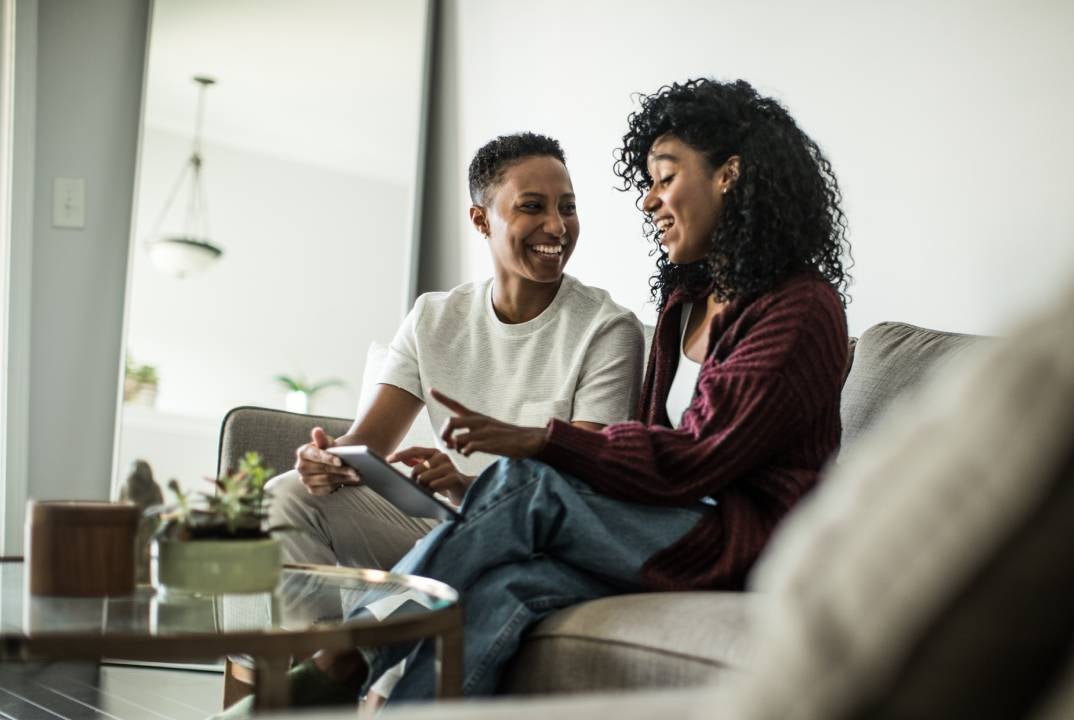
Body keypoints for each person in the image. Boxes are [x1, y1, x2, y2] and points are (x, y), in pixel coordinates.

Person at [214, 78, 850, 716]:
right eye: (649, 183)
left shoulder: (799, 310)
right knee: (505, 587)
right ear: (482, 219)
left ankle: (342, 658)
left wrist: (536, 440)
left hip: (740, 544)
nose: (650, 199)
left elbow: (694, 458)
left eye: (664, 177)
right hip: (655, 527)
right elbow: (644, 461)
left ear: (729, 176)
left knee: (529, 482)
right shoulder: (686, 300)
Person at [267, 132, 644, 572]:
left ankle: (351, 640)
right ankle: (319, 640)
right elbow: (366, 444)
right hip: (441, 523)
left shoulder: (609, 328)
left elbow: (581, 488)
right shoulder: (433, 317)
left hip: (532, 537)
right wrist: (327, 460)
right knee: (287, 494)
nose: (558, 226)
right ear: (481, 220)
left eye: (568, 207)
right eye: (532, 206)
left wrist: (468, 487)